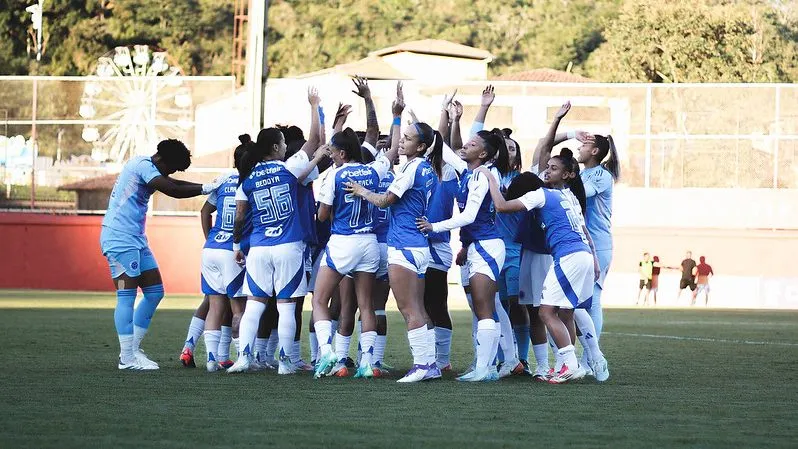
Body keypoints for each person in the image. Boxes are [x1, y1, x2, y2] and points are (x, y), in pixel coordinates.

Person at [345, 82, 441, 383]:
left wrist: (362, 191)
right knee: (418, 307)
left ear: (420, 146)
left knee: (408, 308)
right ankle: (431, 363)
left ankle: (422, 365)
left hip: (403, 245)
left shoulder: (411, 169)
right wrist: (397, 116)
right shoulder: (427, 168)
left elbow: (386, 200)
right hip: (419, 245)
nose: (401, 142)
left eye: (408, 139)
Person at [227, 87, 327, 374]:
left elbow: (239, 218)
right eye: (282, 143)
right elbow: (314, 141)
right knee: (285, 306)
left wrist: (237, 247)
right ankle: (285, 362)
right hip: (288, 245)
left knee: (254, 305)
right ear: (275, 147)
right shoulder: (288, 168)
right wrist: (314, 106)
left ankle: (244, 358)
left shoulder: (246, 178)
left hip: (259, 247)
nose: (285, 148)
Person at [100, 138, 220, 370]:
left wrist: (206, 186)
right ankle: (127, 358)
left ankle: (133, 350)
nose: (170, 174)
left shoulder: (150, 167)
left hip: (135, 238)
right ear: (162, 160)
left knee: (154, 292)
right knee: (126, 297)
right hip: (119, 238)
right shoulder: (142, 165)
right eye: (171, 168)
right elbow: (172, 189)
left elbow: (173, 183)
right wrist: (205, 188)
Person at [481, 169, 610, 384]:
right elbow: (582, 229)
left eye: (553, 168)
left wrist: (490, 178)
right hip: (539, 256)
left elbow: (502, 206)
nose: (547, 171)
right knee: (554, 311)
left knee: (560, 311)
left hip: (552, 257)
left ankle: (586, 359)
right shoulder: (560, 196)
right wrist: (593, 256)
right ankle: (555, 364)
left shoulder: (543, 197)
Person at [417, 127, 517, 382]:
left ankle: (487, 367)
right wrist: (423, 127)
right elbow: (444, 150)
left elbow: (470, 216)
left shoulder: (481, 175)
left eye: (472, 145)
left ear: (482, 154)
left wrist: (434, 226)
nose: (465, 146)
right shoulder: (469, 172)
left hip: (486, 245)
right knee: (485, 307)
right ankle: (488, 366)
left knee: (485, 308)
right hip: (476, 245)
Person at [311, 125, 395, 379]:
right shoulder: (374, 170)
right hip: (369, 242)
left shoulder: (334, 175)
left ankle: (327, 352)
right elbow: (390, 154)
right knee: (367, 306)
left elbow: (322, 215)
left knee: (319, 300)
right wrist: (397, 118)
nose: (331, 157)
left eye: (333, 153)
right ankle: (367, 363)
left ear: (343, 153)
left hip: (343, 241)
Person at [197, 135, 252, 372]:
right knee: (239, 309)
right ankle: (242, 358)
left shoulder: (223, 180)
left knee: (215, 306)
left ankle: (211, 360)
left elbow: (204, 211)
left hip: (211, 248)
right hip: (233, 250)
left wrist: (209, 237)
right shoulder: (250, 182)